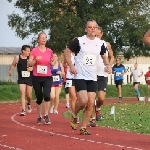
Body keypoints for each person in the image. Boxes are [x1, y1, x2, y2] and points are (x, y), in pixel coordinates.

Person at [64, 19, 111, 135]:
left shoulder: (100, 43)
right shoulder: (79, 41)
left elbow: (104, 56)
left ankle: (83, 128)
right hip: (80, 75)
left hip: (93, 77)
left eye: (94, 27)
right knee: (83, 101)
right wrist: (71, 66)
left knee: (91, 103)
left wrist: (108, 65)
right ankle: (74, 115)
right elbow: (67, 52)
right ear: (86, 29)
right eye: (90, 27)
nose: (92, 29)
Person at [90, 26, 114, 127]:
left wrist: (109, 66)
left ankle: (98, 109)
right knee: (91, 99)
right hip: (92, 74)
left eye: (98, 34)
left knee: (101, 98)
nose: (97, 36)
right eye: (95, 35)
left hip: (102, 74)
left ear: (102, 34)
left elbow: (111, 57)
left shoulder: (106, 44)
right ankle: (92, 119)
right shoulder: (90, 44)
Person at [27, 32, 54, 124]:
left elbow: (52, 63)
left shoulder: (50, 51)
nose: (44, 39)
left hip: (47, 77)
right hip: (37, 77)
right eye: (42, 38)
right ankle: (39, 116)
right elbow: (29, 64)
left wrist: (54, 62)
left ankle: (46, 115)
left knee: (47, 95)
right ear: (38, 40)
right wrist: (35, 60)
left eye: (45, 37)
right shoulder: (34, 51)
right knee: (39, 97)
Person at [9, 45, 33, 116]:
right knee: (22, 92)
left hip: (29, 78)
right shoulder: (17, 57)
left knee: (29, 95)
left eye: (29, 51)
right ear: (23, 51)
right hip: (21, 78)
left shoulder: (31, 57)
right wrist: (10, 71)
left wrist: (32, 69)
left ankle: (29, 103)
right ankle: (23, 109)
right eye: (28, 51)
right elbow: (13, 65)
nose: (29, 52)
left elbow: (35, 65)